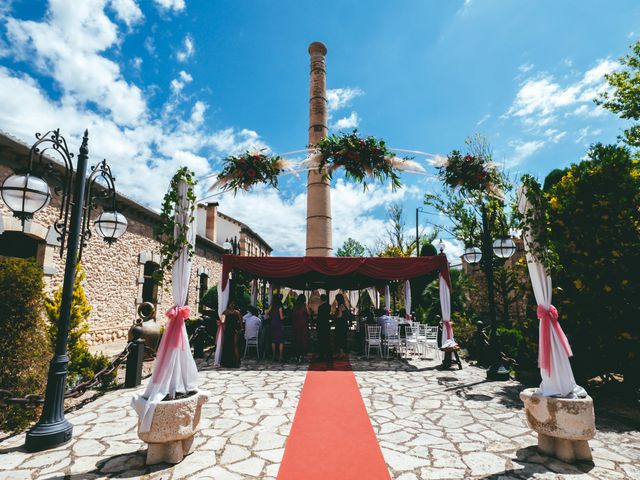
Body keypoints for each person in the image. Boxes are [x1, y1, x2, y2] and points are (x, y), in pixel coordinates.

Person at [220, 301, 241, 368]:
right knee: (227, 345)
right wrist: (222, 320)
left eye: (233, 303)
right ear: (228, 304)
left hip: (235, 330)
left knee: (235, 345)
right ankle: (227, 362)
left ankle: (237, 362)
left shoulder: (237, 312)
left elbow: (240, 321)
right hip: (228, 330)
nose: (232, 305)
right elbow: (223, 320)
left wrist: (240, 329)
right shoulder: (225, 312)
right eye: (230, 303)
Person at [292, 294, 309, 364]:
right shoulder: (305, 305)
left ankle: (297, 355)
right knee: (303, 340)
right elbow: (309, 313)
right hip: (303, 325)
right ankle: (302, 355)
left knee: (297, 340)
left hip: (296, 325)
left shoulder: (295, 306)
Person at [268, 294, 285, 362]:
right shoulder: (279, 307)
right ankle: (280, 357)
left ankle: (274, 356)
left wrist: (271, 316)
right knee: (281, 341)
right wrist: (284, 317)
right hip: (279, 324)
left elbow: (266, 313)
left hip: (273, 324)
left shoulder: (272, 306)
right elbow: (281, 317)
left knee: (273, 341)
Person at [316, 294, 331, 362]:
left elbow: (319, 317)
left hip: (321, 325)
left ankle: (322, 355)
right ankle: (327, 355)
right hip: (326, 324)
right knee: (327, 340)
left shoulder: (320, 307)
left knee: (321, 340)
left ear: (321, 299)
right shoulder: (329, 306)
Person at [334, 293, 350, 359]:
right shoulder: (345, 306)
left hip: (340, 325)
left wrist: (336, 316)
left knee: (340, 339)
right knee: (342, 339)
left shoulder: (341, 306)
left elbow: (339, 316)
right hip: (344, 324)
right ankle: (342, 353)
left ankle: (341, 353)